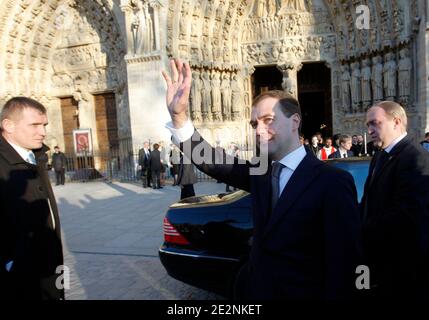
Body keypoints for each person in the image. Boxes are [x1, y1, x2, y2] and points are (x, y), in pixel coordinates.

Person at [162, 59, 362, 299]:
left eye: (268, 120)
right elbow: (213, 162)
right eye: (255, 123)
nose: (258, 130)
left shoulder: (332, 181)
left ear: (294, 122)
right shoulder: (261, 170)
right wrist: (179, 117)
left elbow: (345, 262)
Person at [361, 101, 429, 299]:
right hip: (380, 263)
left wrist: (362, 228)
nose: (370, 130)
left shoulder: (417, 158)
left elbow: (409, 215)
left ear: (396, 122)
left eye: (375, 123)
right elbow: (369, 201)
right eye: (368, 125)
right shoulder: (380, 156)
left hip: (405, 267)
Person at [0, 97, 64, 299]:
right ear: (8, 125)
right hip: (19, 277)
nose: (43, 132)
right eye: (35, 125)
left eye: (44, 125)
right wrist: (11, 263)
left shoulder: (36, 155)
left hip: (51, 264)